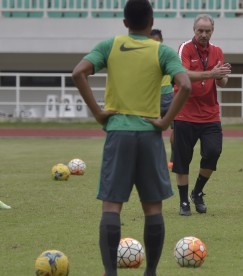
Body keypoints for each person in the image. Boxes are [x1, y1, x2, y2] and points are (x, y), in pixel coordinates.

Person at [72, 0, 191, 275]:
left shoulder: (109, 46)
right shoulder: (161, 50)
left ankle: (110, 272)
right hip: (149, 135)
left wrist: (99, 113)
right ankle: (150, 271)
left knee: (112, 205)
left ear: (125, 23)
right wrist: (164, 121)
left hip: (118, 133)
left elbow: (78, 72)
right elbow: (184, 84)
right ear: (151, 22)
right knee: (152, 207)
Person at [173, 14, 231, 216]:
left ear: (212, 31)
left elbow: (221, 82)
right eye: (200, 30)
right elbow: (183, 73)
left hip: (210, 114)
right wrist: (211, 74)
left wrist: (222, 75)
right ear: (194, 30)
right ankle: (183, 202)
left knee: (213, 152)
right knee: (182, 160)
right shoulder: (185, 48)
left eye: (207, 31)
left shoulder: (217, 51)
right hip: (184, 113)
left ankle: (197, 192)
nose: (204, 34)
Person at [150, 28, 174, 169]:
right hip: (158, 96)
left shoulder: (147, 55)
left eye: (156, 42)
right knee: (172, 129)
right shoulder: (168, 54)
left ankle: (167, 160)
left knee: (173, 129)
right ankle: (167, 161)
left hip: (161, 96)